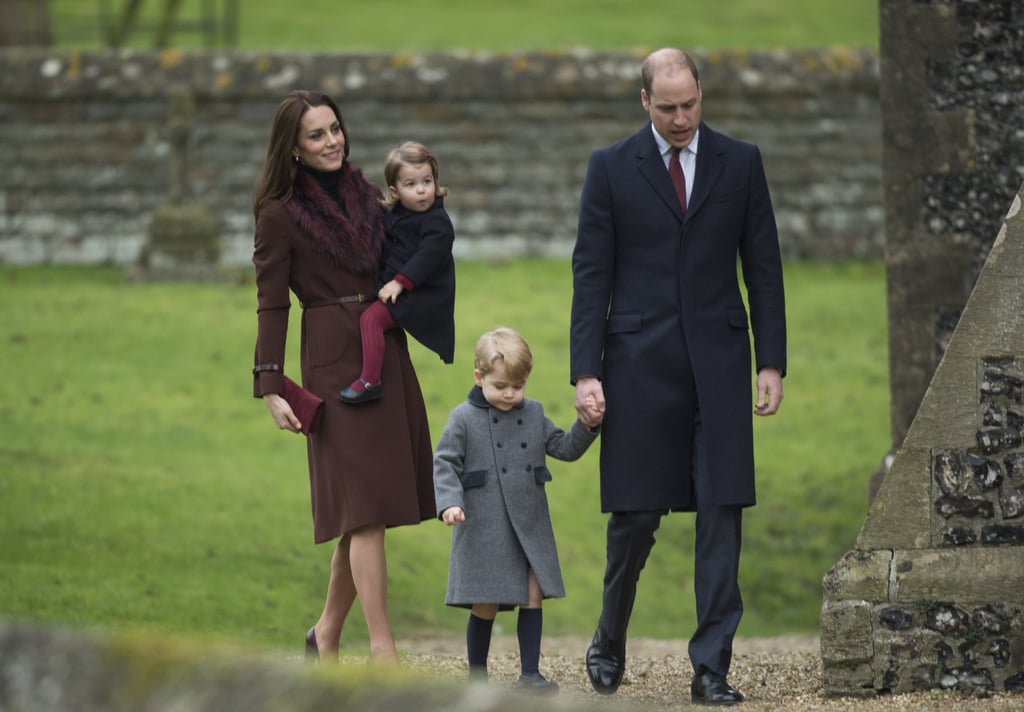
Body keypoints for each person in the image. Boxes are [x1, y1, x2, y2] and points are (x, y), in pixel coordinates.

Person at [570, 48, 786, 706]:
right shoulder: (609, 168)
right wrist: (585, 373)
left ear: (701, 94)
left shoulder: (741, 162)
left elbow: (765, 268)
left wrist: (770, 361)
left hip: (719, 368)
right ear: (644, 102)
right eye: (667, 107)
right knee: (633, 520)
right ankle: (609, 636)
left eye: (689, 103)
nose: (681, 117)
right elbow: (591, 276)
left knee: (722, 513)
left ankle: (711, 668)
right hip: (636, 369)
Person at [251, 90, 436, 663]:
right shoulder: (278, 214)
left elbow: (421, 243)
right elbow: (271, 304)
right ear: (294, 148)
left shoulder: (368, 195)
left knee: (367, 509)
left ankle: (325, 633)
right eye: (316, 135)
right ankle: (383, 649)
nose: (332, 141)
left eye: (335, 129)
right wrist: (271, 383)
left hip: (383, 349)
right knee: (363, 511)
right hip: (331, 360)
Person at [433, 327, 603, 692]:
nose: (510, 394)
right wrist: (449, 502)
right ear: (478, 378)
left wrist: (588, 426)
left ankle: (530, 673)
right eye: (500, 386)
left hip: (529, 520)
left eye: (518, 385)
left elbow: (563, 447)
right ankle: (476, 677)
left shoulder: (534, 412)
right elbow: (444, 463)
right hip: (483, 522)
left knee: (533, 593)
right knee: (486, 603)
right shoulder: (462, 418)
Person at [338, 140, 456, 404]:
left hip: (423, 295)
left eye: (427, 181)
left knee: (372, 320)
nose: (422, 190)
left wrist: (400, 283)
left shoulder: (438, 222)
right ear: (395, 190)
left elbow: (426, 258)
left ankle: (370, 381)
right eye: (411, 185)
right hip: (400, 287)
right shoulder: (396, 214)